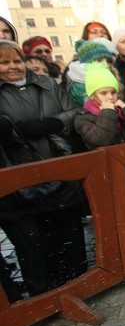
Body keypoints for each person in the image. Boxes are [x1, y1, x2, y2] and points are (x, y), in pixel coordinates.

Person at [0, 40, 87, 297]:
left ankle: (82, 282)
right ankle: (49, 293)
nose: (12, 67)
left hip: (58, 163)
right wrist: (15, 131)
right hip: (22, 173)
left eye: (16, 61)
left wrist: (53, 123)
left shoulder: (47, 85)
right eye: (4, 62)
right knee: (40, 238)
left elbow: (73, 111)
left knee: (70, 229)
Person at [74, 64, 125, 245]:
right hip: (113, 178)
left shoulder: (122, 112)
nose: (110, 97)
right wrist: (107, 112)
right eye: (104, 93)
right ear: (93, 95)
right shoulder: (83, 118)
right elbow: (101, 139)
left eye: (113, 92)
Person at [66, 39, 118, 107]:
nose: (105, 64)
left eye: (108, 61)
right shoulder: (79, 84)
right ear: (87, 62)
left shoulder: (111, 75)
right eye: (99, 60)